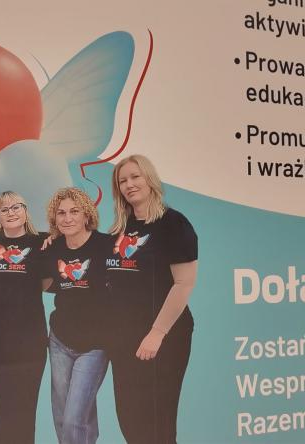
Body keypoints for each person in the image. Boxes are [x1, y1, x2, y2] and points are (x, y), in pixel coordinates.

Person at [105, 154, 198, 444]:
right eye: (122, 180)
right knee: (130, 419)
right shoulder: (120, 229)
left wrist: (157, 334)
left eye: (135, 177)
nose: (129, 184)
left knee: (158, 423)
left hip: (163, 337)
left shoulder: (173, 223)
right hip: (124, 338)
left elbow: (183, 284)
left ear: (150, 179)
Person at [0, 191, 49, 443]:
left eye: (16, 206)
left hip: (30, 342)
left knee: (25, 412)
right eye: (4, 209)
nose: (11, 212)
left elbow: (49, 278)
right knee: (6, 411)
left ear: (26, 211)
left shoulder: (43, 242)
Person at [42, 187, 112, 444]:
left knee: (74, 418)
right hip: (60, 340)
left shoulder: (107, 245)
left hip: (96, 344)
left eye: (74, 211)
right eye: (61, 213)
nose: (67, 218)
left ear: (87, 215)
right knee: (65, 417)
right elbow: (39, 280)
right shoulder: (51, 247)